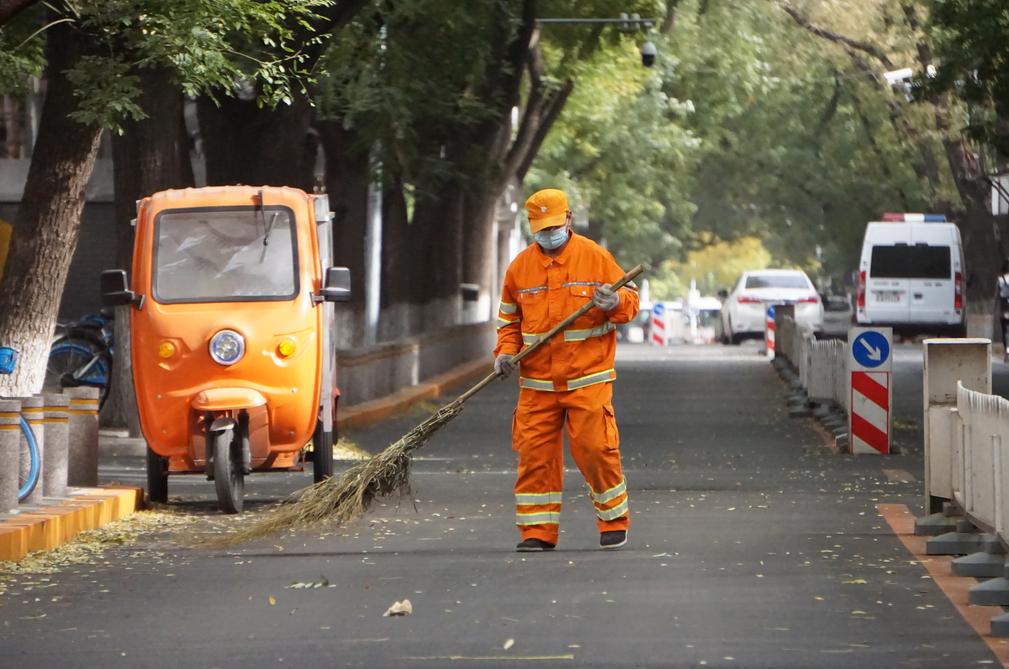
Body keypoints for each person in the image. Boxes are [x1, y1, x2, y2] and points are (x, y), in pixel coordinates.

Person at [493, 188, 639, 552]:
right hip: (537, 382)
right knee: (535, 457)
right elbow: (509, 323)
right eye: (542, 228)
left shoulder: (595, 257)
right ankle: (537, 532)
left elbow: (631, 302)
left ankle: (613, 519)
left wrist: (614, 301)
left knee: (594, 449)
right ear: (532, 227)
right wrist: (505, 353)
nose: (549, 234)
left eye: (555, 226)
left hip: (587, 378)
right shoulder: (520, 268)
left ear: (569, 219)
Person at [997, 259, 1009, 362]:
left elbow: (997, 296)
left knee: (1004, 330)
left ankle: (1007, 351)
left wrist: (995, 310)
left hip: (1004, 308)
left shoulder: (1000, 280)